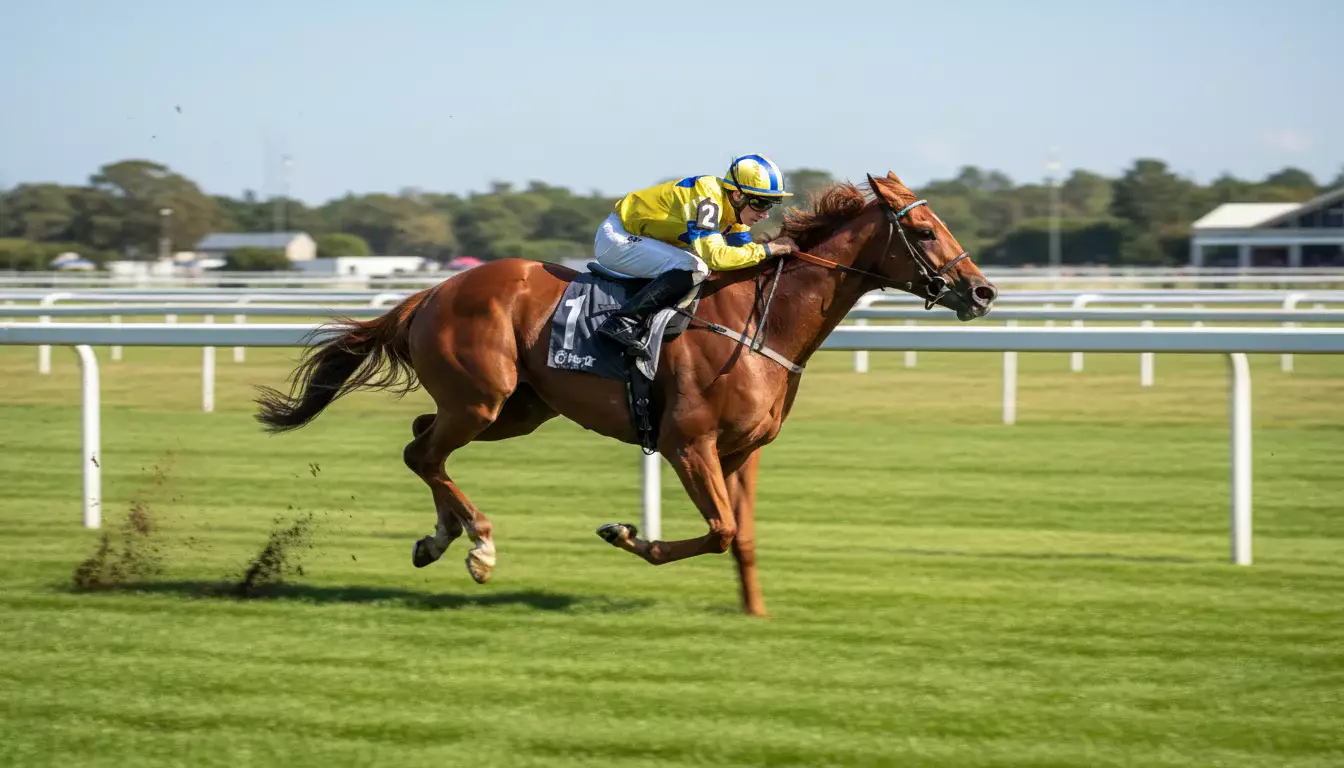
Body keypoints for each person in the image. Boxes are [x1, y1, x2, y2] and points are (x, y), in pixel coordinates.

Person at [592, 154, 799, 356]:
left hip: (644, 239)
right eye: (761, 203)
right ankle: (622, 322)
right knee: (696, 267)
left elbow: (742, 256)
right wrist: (770, 248)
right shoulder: (707, 199)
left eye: (771, 204)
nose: (765, 214)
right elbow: (716, 257)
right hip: (617, 237)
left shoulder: (733, 215)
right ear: (738, 195)